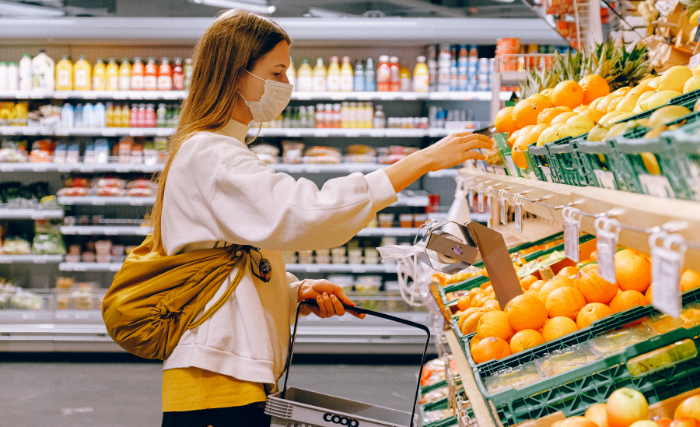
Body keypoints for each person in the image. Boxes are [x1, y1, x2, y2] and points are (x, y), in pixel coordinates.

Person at [151, 9, 492, 427]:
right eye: (276, 73)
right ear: (237, 75)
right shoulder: (211, 155)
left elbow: (228, 263)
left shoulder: (217, 150)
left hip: (231, 374)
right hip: (216, 380)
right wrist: (421, 161)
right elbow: (305, 213)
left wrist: (293, 292)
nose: (286, 86)